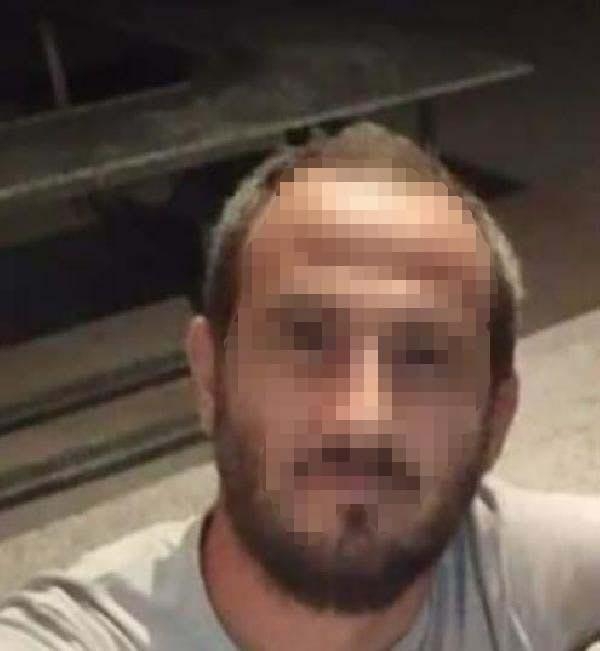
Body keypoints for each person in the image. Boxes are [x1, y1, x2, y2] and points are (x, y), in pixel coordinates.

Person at [1, 121, 599, 650]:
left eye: (426, 357)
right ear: (210, 376)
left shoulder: (517, 575)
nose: (361, 416)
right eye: (306, 339)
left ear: (496, 419)